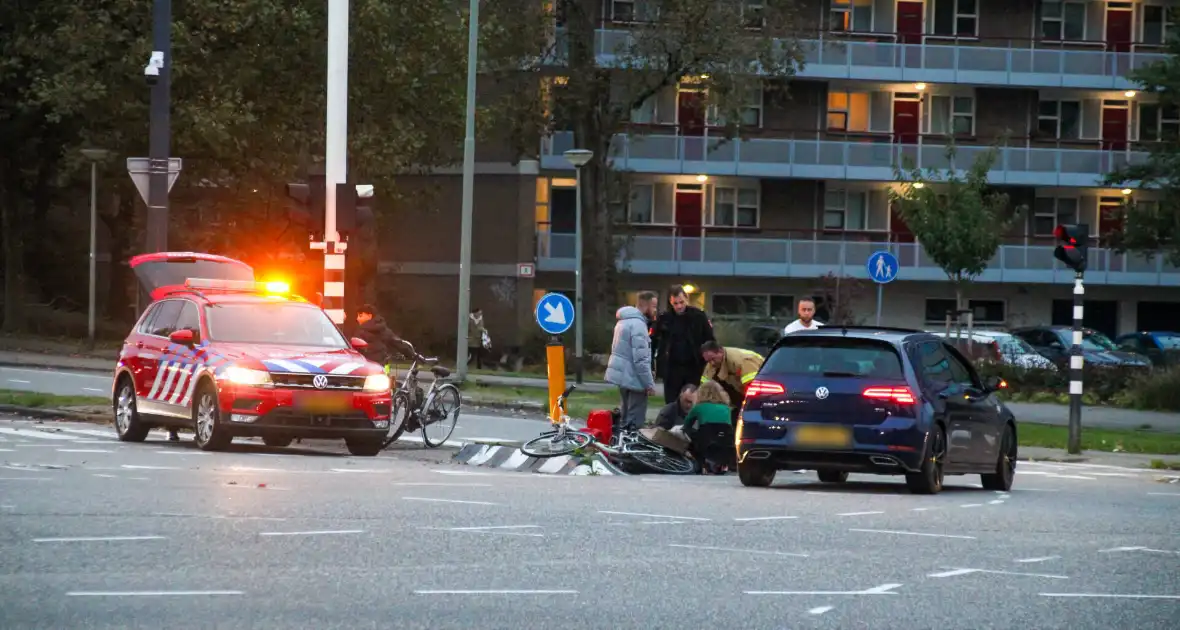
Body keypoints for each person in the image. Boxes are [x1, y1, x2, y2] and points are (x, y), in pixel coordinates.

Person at [653, 285, 715, 405]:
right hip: (672, 368)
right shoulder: (665, 319)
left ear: (686, 299)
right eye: (675, 303)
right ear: (671, 302)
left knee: (691, 401)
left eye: (681, 302)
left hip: (693, 367)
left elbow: (709, 339)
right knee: (672, 402)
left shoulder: (698, 317)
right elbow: (656, 341)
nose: (679, 306)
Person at [604, 298, 657, 432]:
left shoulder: (623, 321)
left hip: (623, 377)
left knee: (624, 416)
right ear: (646, 306)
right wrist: (649, 384)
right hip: (635, 379)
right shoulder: (639, 325)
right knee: (634, 421)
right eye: (654, 306)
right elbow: (641, 360)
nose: (656, 310)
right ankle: (630, 450)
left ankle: (619, 448)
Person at [700, 340, 765, 423]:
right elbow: (704, 387)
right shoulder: (712, 364)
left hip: (759, 392)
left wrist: (746, 407)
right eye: (708, 361)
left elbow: (752, 387)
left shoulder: (742, 361)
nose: (711, 363)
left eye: (713, 359)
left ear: (720, 351)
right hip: (740, 391)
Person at [681, 380, 735, 474]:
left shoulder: (699, 407)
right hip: (726, 440)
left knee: (692, 435)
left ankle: (697, 463)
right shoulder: (727, 408)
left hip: (706, 440)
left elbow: (687, 424)